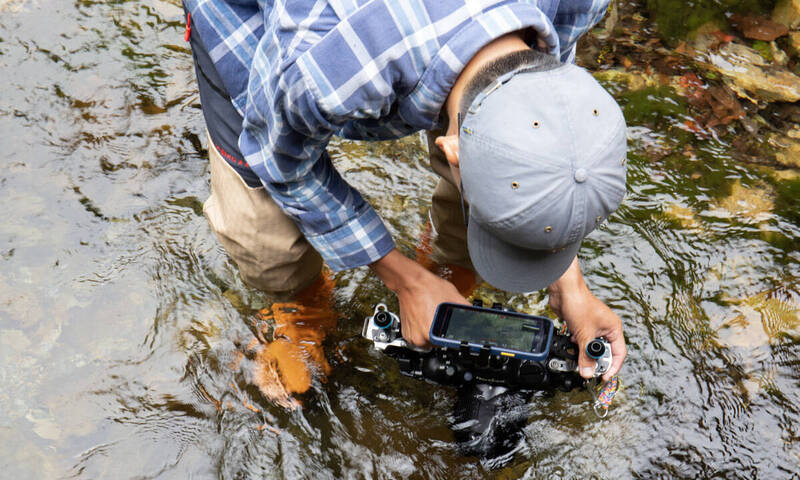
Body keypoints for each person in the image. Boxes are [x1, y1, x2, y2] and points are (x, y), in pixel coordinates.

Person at [182, 0, 628, 390]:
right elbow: (279, 160)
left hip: (429, 38)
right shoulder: (321, 67)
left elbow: (546, 121)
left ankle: (450, 268)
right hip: (258, 34)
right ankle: (303, 308)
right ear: (451, 150)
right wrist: (406, 281)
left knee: (495, 168)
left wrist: (570, 280)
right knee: (264, 230)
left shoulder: (579, 2)